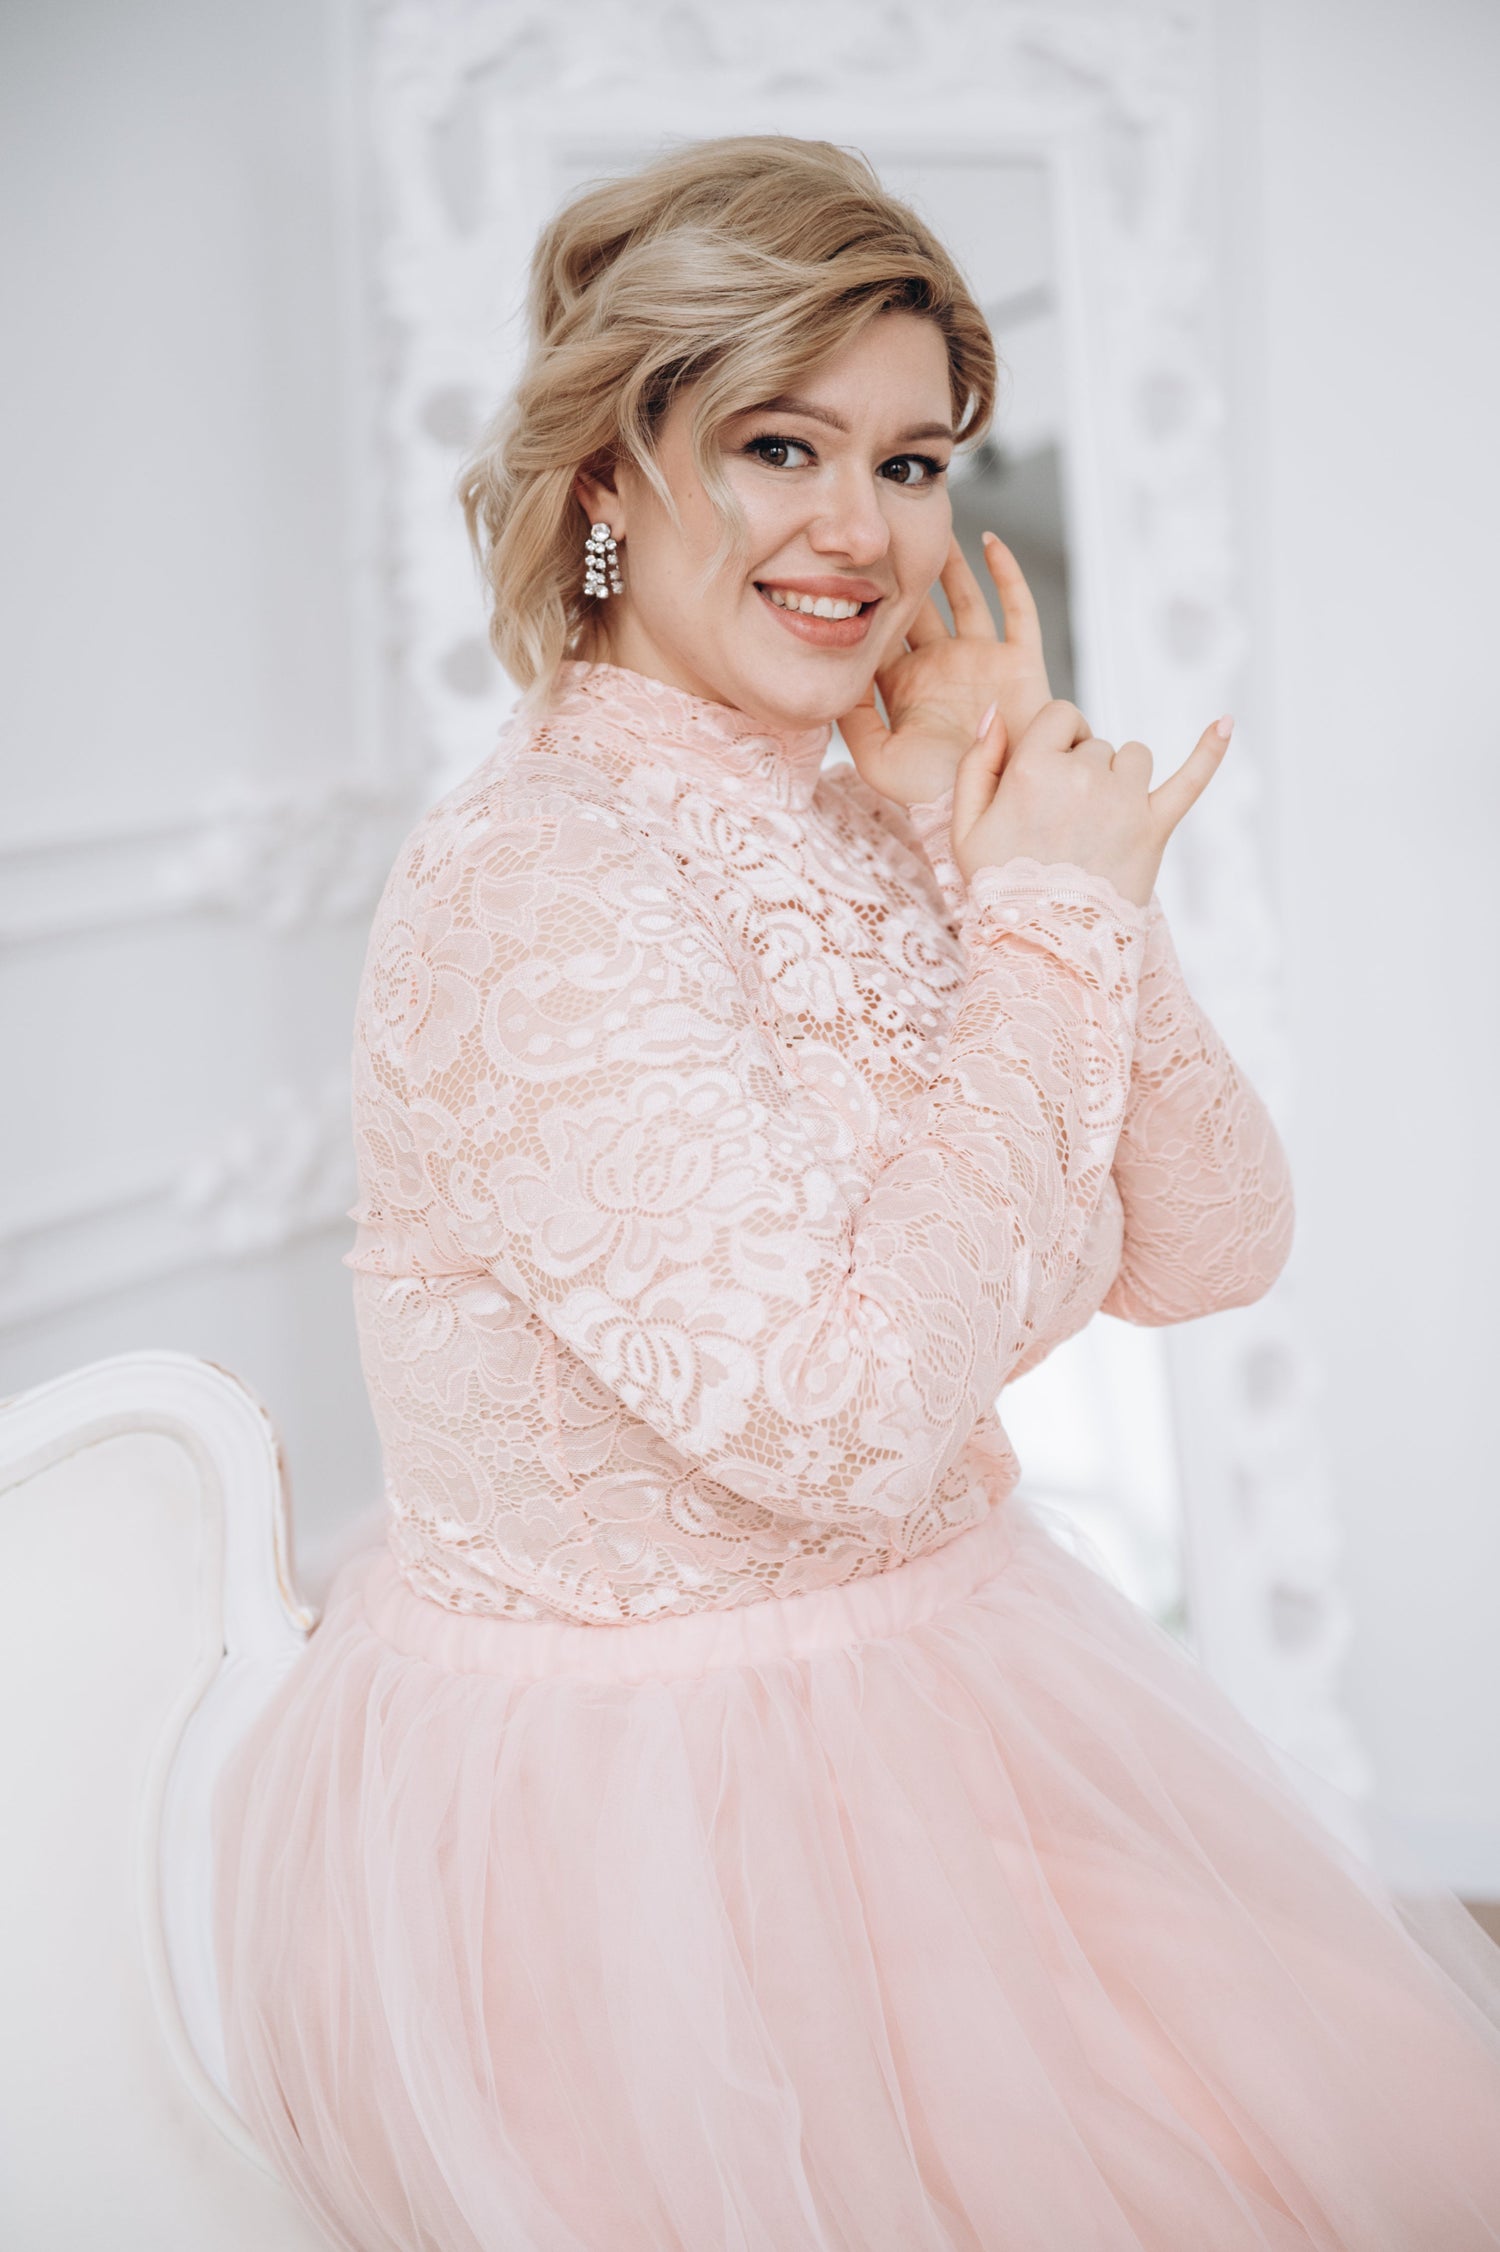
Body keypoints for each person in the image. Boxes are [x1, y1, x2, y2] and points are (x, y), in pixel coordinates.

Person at [214, 135, 1500, 2251]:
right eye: (779, 443)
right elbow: (836, 1420)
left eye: (914, 463)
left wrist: (1047, 875)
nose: (859, 529)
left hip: (955, 1699)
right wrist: (1047, 931)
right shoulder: (539, 879)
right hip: (643, 1854)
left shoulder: (865, 807)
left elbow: (1218, 1245)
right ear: (608, 484)